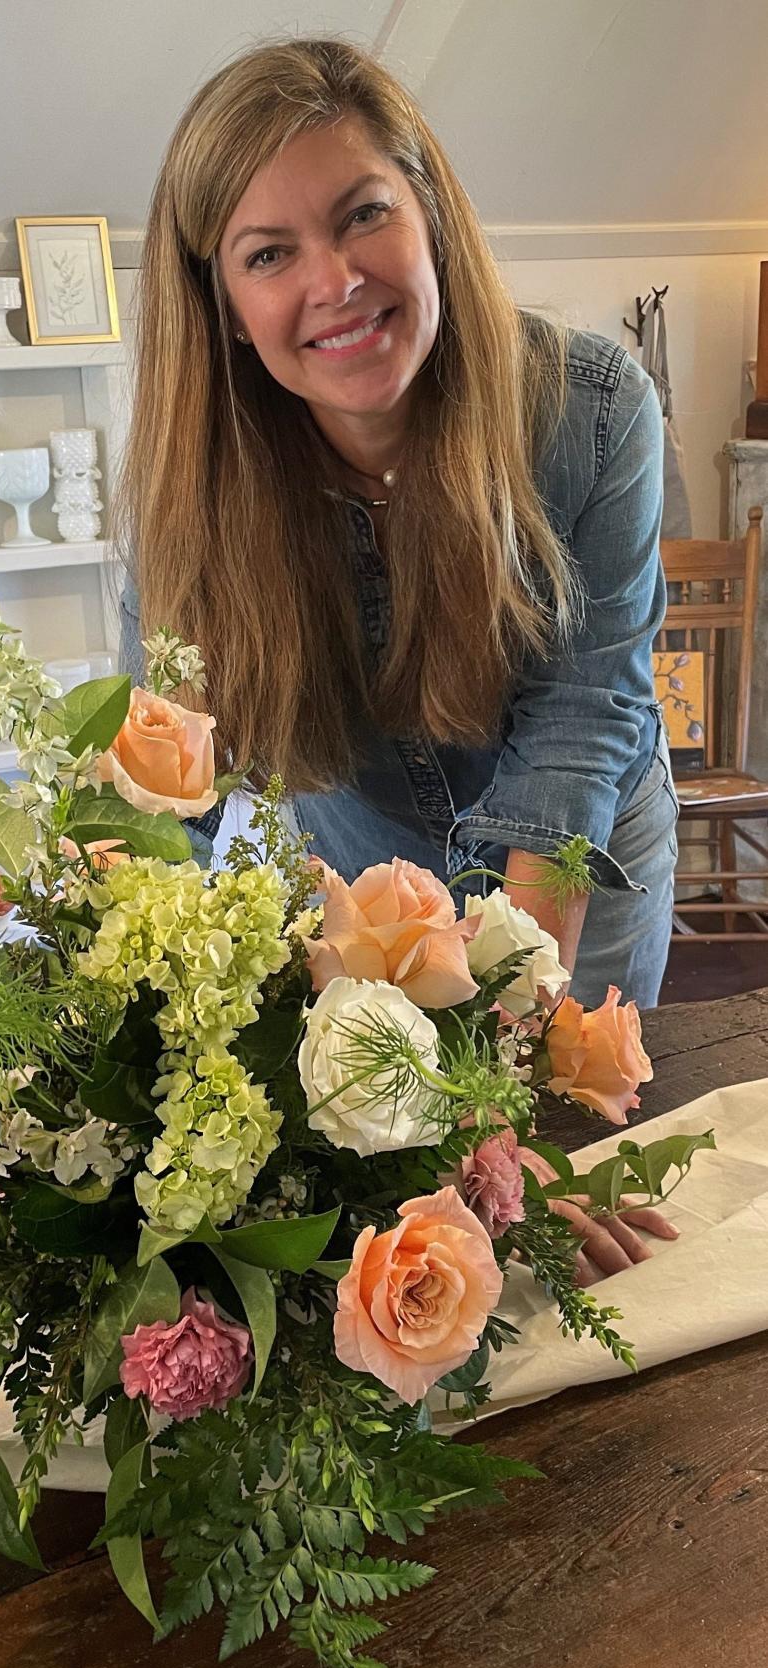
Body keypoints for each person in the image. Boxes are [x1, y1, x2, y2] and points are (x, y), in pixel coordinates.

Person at [115, 36, 678, 1277]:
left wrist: (496, 1096)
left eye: (363, 213)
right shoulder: (186, 495)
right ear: (221, 296)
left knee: (566, 1236)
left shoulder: (590, 409)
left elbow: (583, 735)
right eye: (270, 253)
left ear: (427, 205)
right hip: (366, 905)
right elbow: (170, 805)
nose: (338, 279)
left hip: (576, 880)